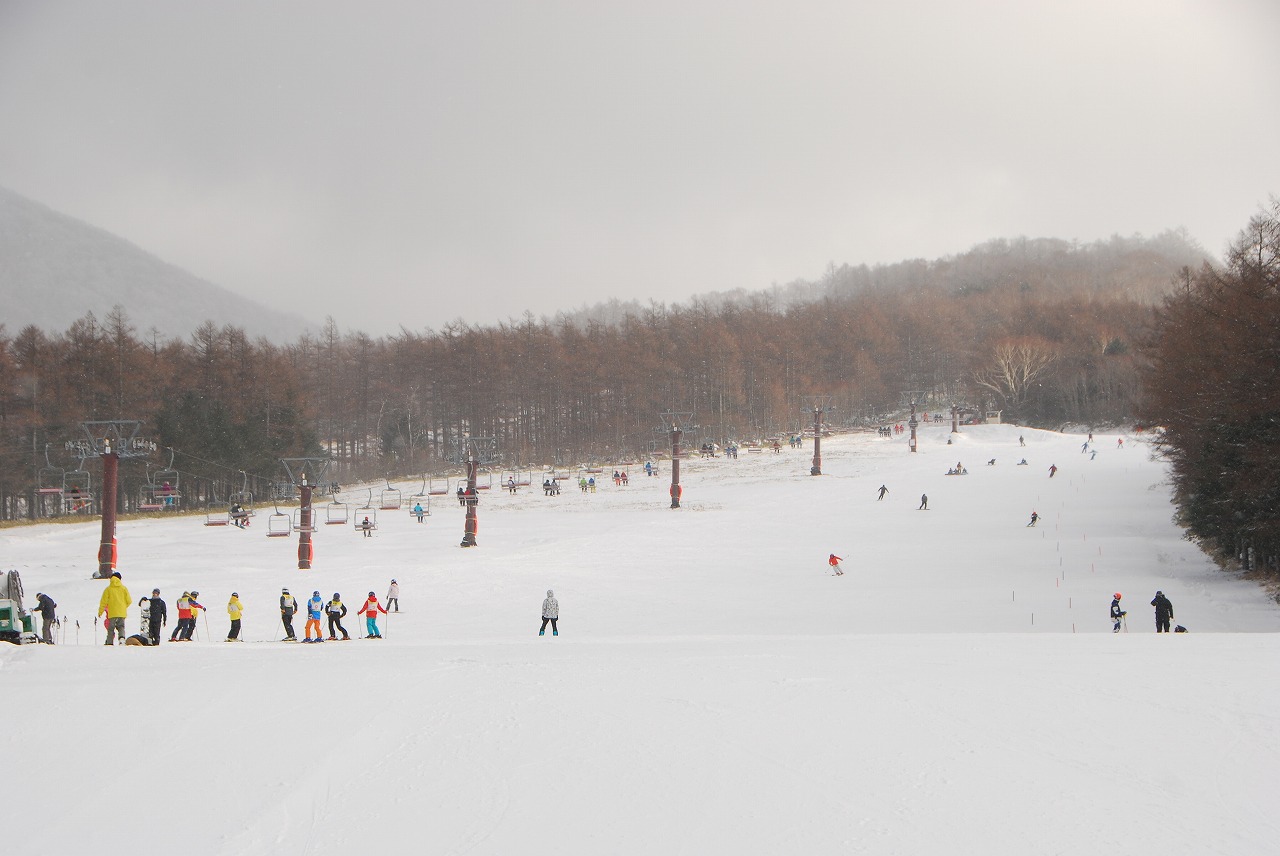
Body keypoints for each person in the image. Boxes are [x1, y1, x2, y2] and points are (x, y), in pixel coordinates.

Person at [97, 571, 131, 645]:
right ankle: (122, 638)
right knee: (121, 626)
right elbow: (129, 601)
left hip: (112, 612)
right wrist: (123, 607)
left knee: (111, 629)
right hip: (122, 612)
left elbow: (103, 602)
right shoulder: (124, 589)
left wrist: (100, 612)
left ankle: (109, 642)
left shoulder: (108, 589)